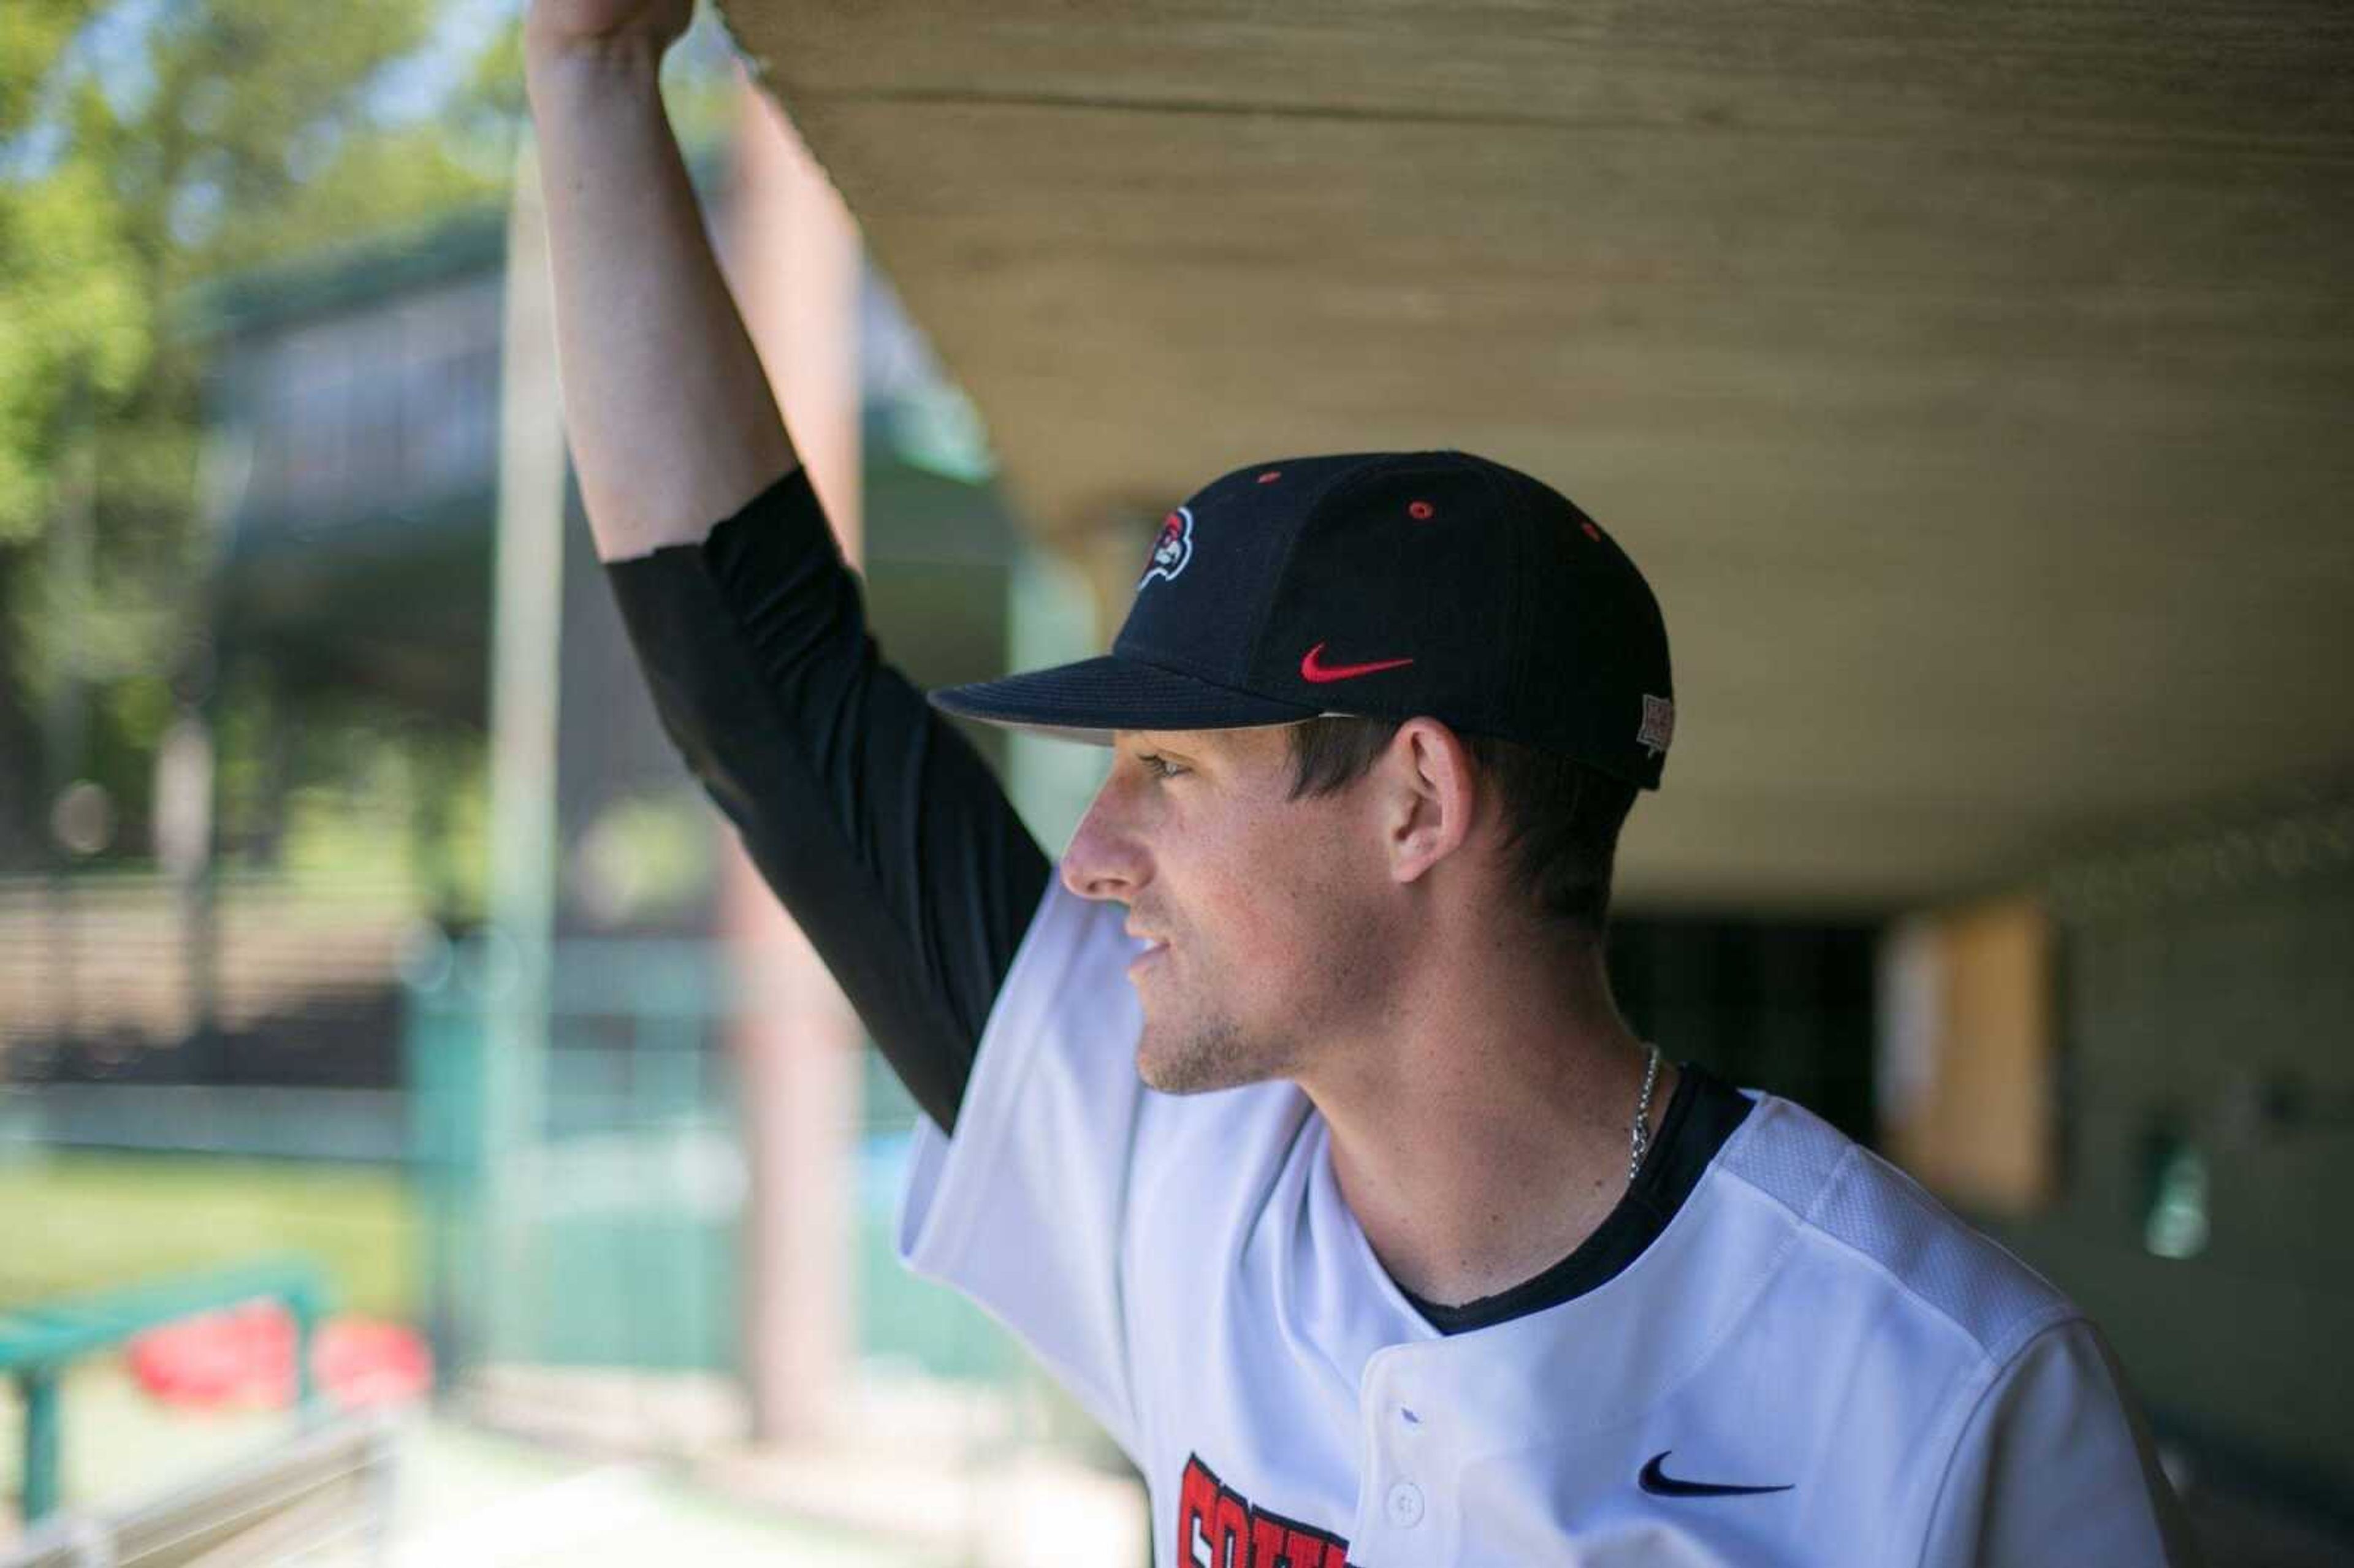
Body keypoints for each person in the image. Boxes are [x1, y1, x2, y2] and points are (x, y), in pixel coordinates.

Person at [524, 2, 2198, 1561]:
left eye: (1169, 770)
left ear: (1417, 802)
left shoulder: (1944, 1387)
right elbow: (775, 711)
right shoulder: (1174, 1170)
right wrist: (588, 69)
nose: (1096, 852)